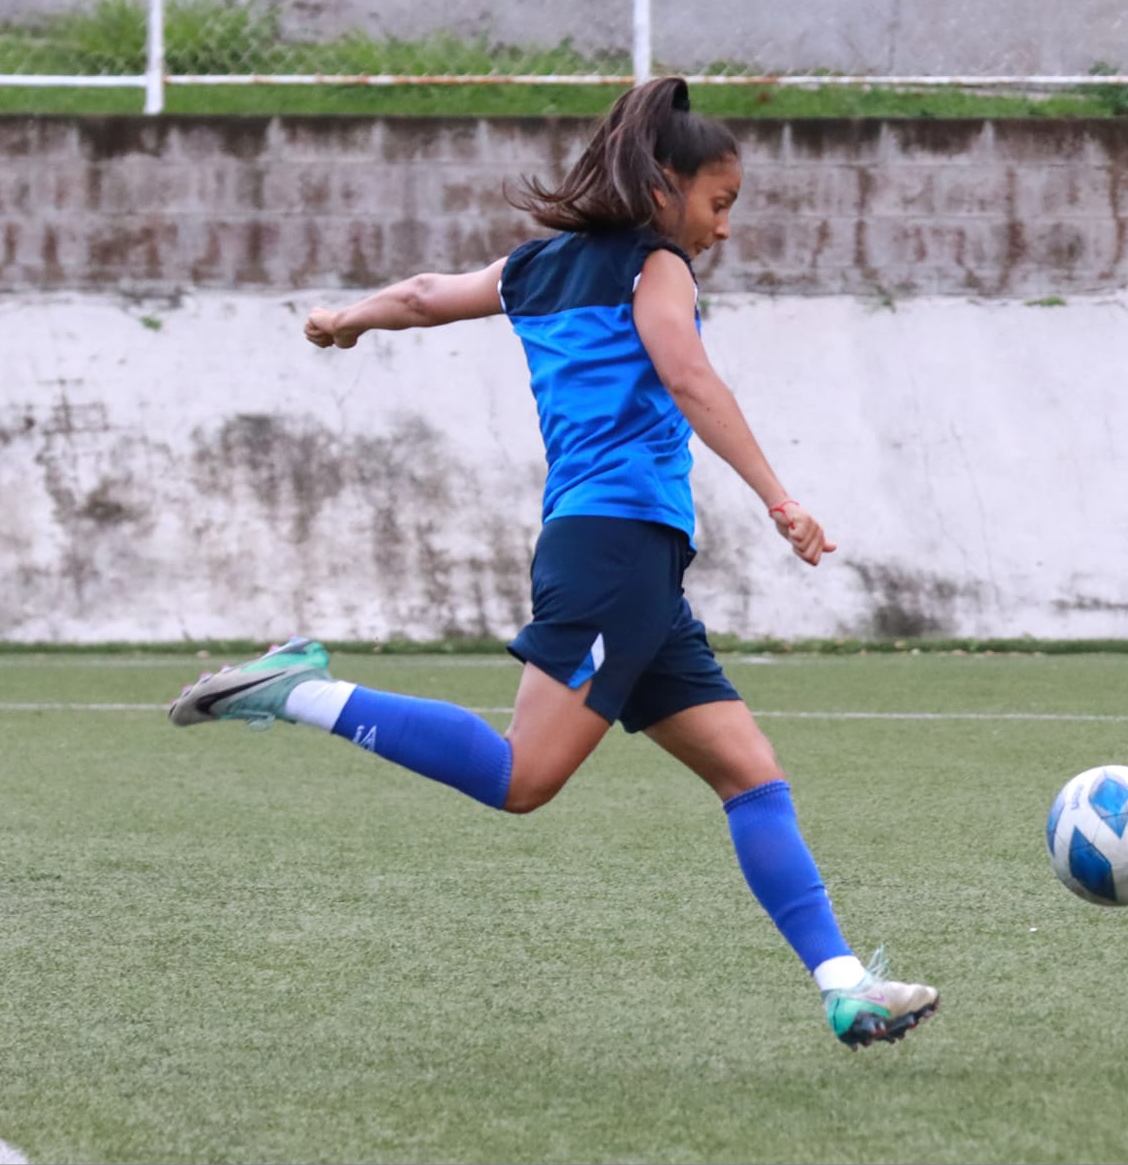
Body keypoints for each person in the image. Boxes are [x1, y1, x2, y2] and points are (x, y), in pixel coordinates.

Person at [169, 77, 937, 1050]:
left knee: (750, 775)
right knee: (521, 777)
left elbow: (420, 296)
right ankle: (291, 692)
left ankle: (843, 987)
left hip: (633, 566)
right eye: (719, 202)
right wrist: (778, 497)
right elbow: (685, 373)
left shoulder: (537, 268)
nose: (724, 228)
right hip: (612, 550)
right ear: (665, 187)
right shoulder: (654, 267)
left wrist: (343, 320)